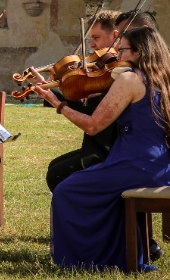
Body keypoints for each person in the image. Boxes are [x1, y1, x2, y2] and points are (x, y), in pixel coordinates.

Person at [34, 26, 170, 272]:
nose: (117, 56)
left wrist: (58, 104)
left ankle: (84, 260)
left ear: (140, 51)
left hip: (138, 164)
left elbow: (93, 125)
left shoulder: (130, 79)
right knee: (97, 190)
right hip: (166, 165)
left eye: (123, 50)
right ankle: (118, 254)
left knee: (68, 190)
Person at [44, 10, 122, 191]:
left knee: (57, 174)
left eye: (96, 38)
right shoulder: (105, 72)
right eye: (90, 40)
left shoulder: (121, 74)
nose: (93, 45)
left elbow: (94, 124)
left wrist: (58, 102)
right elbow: (89, 114)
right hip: (97, 146)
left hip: (109, 151)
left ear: (115, 36)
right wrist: (56, 93)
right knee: (54, 167)